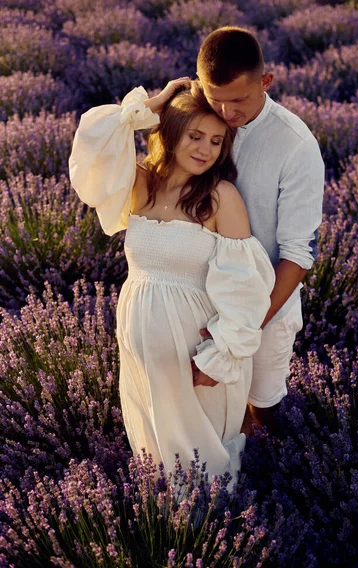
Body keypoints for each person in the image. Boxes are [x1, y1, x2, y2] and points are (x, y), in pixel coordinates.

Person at [69, 79, 275, 484]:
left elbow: (246, 288)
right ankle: (166, 539)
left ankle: (220, 540)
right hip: (140, 347)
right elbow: (92, 145)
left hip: (197, 355)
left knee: (206, 468)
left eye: (216, 141)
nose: (205, 149)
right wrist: (152, 105)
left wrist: (223, 354)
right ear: (172, 132)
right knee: (157, 461)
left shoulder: (220, 197)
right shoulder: (141, 182)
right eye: (195, 135)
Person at [196, 27, 325, 433]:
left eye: (238, 100)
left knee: (259, 409)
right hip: (200, 297)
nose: (226, 113)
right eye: (215, 98)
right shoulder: (199, 116)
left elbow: (298, 255)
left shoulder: (295, 146)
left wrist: (241, 331)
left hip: (266, 307)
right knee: (209, 414)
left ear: (265, 82)